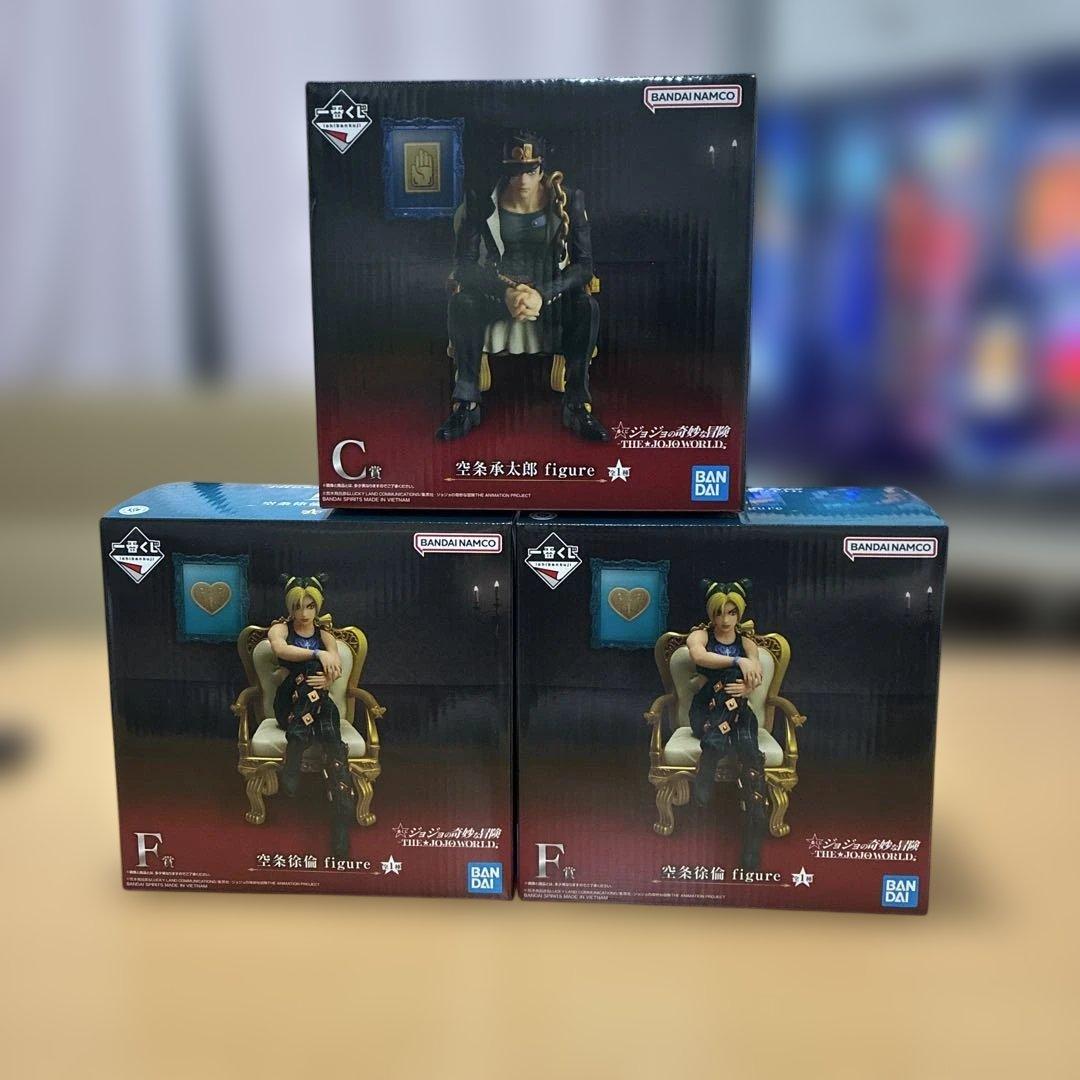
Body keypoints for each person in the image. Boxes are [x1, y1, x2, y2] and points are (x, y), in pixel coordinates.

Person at [438, 129, 609, 443]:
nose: (523, 180)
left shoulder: (568, 199)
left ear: (542, 169)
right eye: (515, 171)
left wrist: (543, 294)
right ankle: (466, 403)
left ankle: (577, 404)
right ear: (505, 170)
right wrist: (505, 293)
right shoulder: (480, 199)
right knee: (462, 303)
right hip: (498, 290)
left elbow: (585, 266)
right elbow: (464, 264)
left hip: (549, 293)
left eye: (530, 171)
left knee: (586, 306)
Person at [267, 574, 356, 858]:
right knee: (308, 679)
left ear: (317, 607)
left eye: (310, 606)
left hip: (317, 707)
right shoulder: (280, 629)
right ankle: (296, 739)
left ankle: (340, 820)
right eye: (297, 607)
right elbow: (281, 650)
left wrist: (329, 678)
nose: (304, 613)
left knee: (332, 740)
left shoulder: (325, 634)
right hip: (288, 705)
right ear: (290, 607)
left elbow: (336, 667)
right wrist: (319, 655)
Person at [686, 579, 770, 870]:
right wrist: (738, 663)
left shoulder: (746, 641)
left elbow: (756, 674)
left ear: (739, 613)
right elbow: (699, 657)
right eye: (719, 612)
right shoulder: (700, 635)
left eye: (732, 613)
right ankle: (713, 747)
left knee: (748, 749)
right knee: (728, 684)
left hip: (737, 714)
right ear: (711, 613)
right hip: (704, 715)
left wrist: (748, 686)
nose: (725, 619)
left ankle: (753, 831)